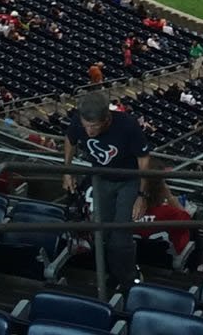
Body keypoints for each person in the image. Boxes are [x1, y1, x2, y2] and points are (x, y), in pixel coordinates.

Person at [62, 91, 151, 290]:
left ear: (107, 119)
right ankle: (114, 273)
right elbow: (70, 139)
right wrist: (67, 171)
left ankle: (129, 278)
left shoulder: (127, 125)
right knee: (104, 233)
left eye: (94, 126)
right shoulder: (79, 121)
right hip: (101, 178)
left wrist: (142, 196)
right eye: (86, 126)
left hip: (128, 180)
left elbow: (144, 160)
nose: (89, 131)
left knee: (120, 236)